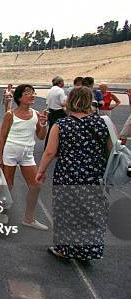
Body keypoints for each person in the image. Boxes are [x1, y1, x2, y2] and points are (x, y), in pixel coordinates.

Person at [36, 87, 112, 260]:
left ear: (70, 101)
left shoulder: (61, 125)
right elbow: (111, 150)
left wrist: (41, 171)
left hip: (68, 174)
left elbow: (49, 152)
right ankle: (88, 251)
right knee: (91, 213)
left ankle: (64, 249)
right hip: (95, 175)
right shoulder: (103, 123)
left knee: (66, 212)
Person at [0, 84, 49, 229]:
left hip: (27, 154)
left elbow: (41, 137)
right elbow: (2, 137)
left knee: (36, 185)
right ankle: (3, 213)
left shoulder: (36, 114)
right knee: (8, 185)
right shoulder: (10, 115)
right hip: (10, 153)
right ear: (19, 97)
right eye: (27, 93)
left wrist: (43, 124)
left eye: (33, 93)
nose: (32, 95)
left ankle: (29, 218)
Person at [45, 76, 66, 148]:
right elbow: (63, 103)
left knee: (51, 130)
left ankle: (48, 147)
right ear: (60, 83)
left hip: (51, 112)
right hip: (59, 112)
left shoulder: (50, 90)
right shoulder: (60, 91)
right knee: (61, 131)